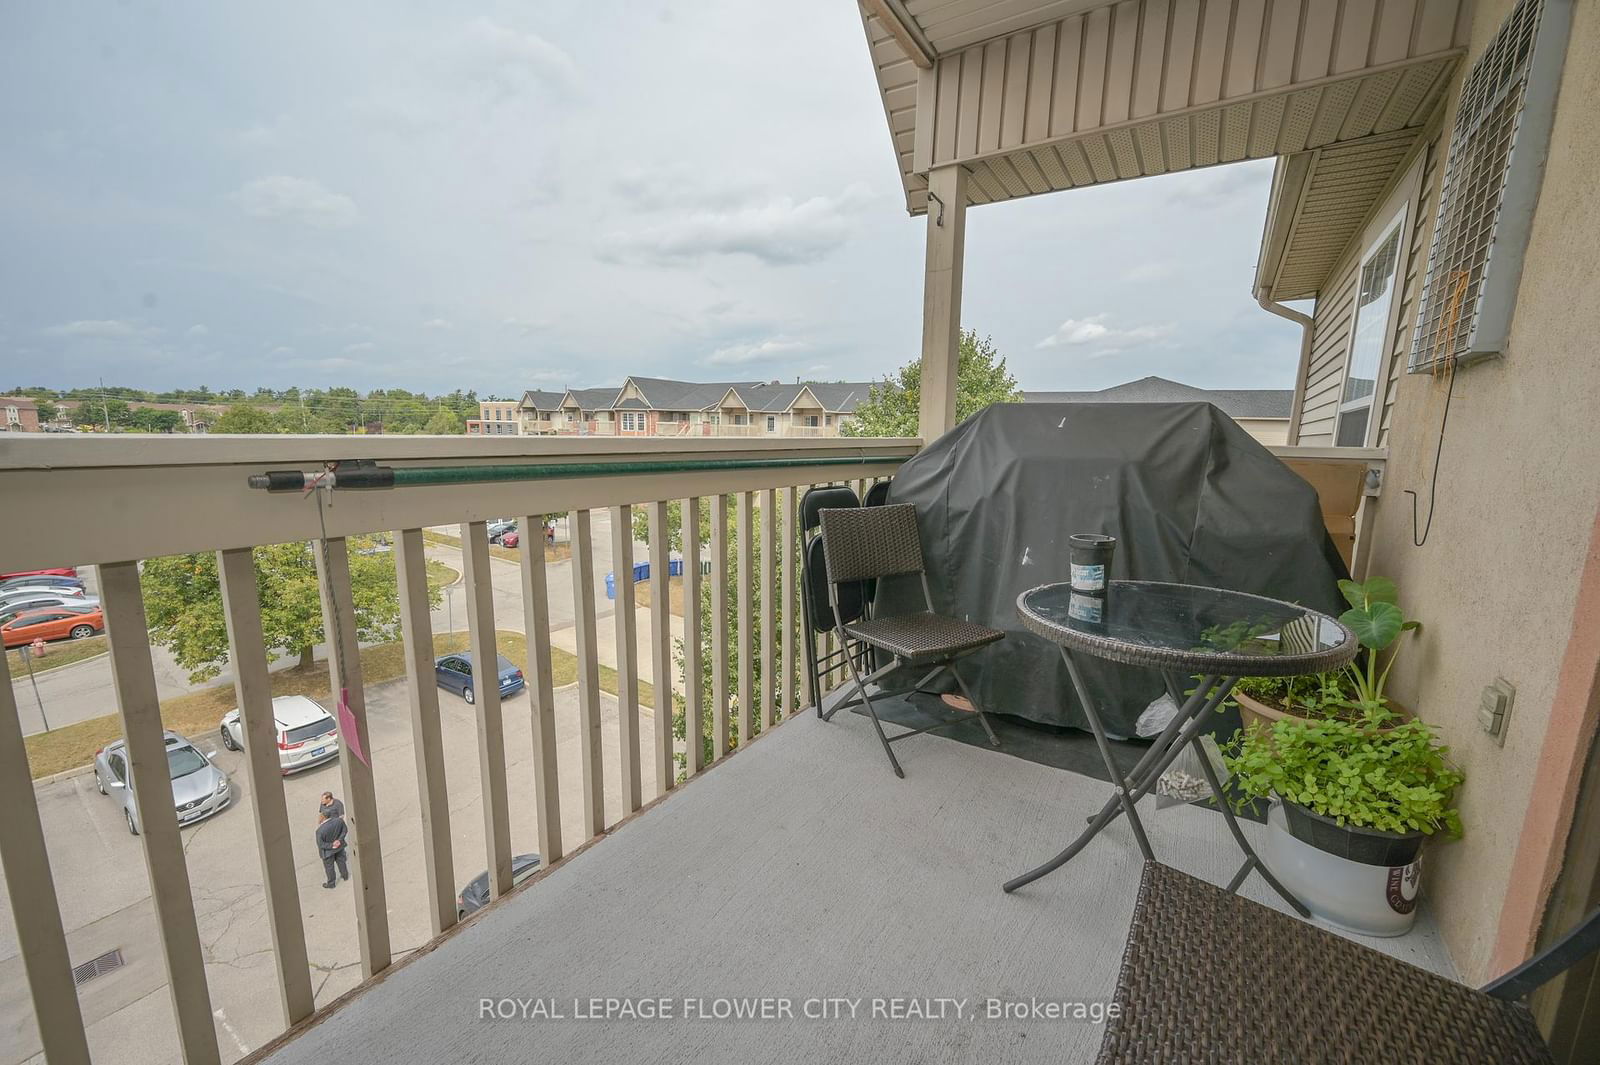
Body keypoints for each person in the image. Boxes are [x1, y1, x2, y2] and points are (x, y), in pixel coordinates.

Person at [317, 812, 349, 889]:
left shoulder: (319, 831)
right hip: (339, 847)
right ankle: (345, 876)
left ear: (323, 817)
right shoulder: (339, 821)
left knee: (329, 868)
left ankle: (331, 883)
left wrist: (332, 845)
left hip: (328, 852)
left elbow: (321, 844)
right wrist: (339, 840)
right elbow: (345, 830)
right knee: (341, 862)